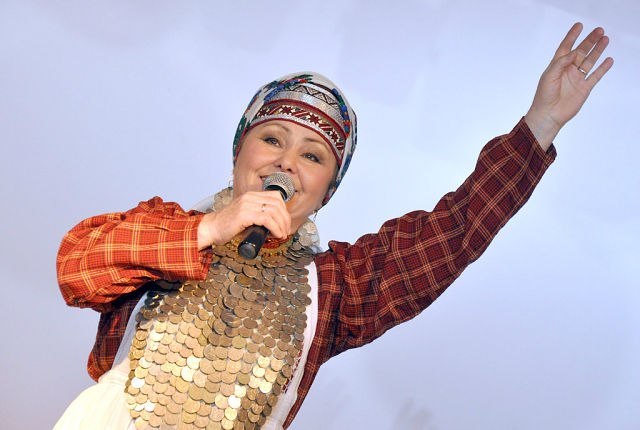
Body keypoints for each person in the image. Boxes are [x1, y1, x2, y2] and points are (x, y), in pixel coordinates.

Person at [55, 23, 612, 430]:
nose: (285, 163)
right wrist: (213, 229)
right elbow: (77, 263)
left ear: (327, 189)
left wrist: (541, 124)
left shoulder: (334, 288)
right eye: (272, 139)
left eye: (312, 155)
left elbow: (453, 232)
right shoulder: (167, 227)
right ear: (239, 150)